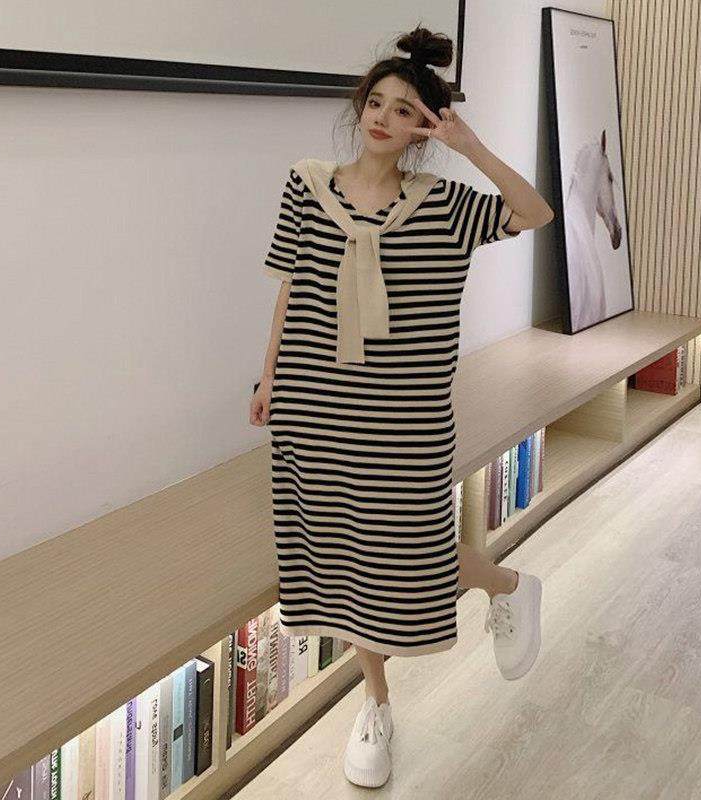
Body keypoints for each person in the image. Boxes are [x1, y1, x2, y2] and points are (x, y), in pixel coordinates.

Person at [249, 25, 553, 788]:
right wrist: (268, 378)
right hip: (314, 403)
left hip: (405, 415)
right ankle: (375, 704)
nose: (384, 118)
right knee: (339, 553)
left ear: (425, 127)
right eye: (377, 102)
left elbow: (534, 212)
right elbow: (290, 287)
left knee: (407, 555)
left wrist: (470, 146)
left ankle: (507, 586)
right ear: (361, 106)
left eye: (405, 110)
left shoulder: (445, 204)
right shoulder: (307, 186)